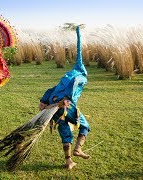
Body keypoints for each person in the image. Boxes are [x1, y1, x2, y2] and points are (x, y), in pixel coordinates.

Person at [38, 24, 90, 170]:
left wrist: (52, 106)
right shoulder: (78, 75)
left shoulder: (51, 91)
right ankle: (78, 149)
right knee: (85, 126)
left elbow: (41, 107)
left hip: (56, 114)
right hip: (68, 106)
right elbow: (79, 52)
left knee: (66, 136)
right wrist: (78, 33)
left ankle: (69, 162)